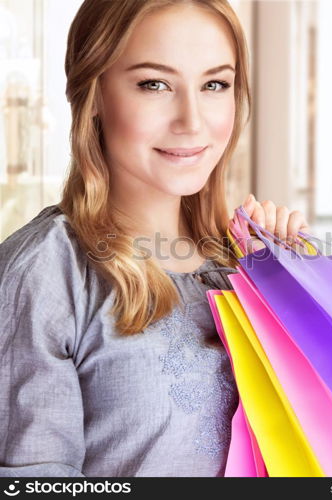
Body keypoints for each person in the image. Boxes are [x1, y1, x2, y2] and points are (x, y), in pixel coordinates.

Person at [0, 0, 310, 477]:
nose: (192, 121)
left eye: (214, 84)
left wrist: (299, 294)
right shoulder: (46, 270)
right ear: (94, 93)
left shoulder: (243, 260)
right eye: (155, 84)